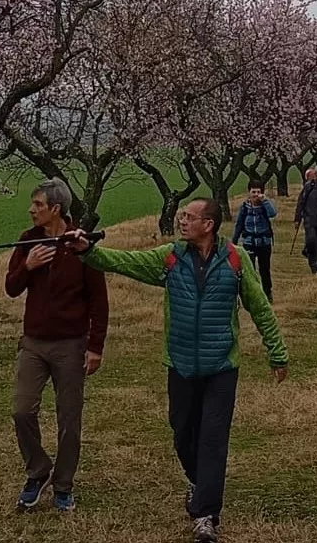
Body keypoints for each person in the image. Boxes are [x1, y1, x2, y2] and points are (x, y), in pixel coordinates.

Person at [65, 199, 287, 543]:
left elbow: (260, 307)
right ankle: (200, 484)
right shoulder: (170, 257)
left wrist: (277, 352)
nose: (181, 221)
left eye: (189, 217)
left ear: (208, 224)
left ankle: (206, 515)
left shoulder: (235, 260)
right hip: (180, 364)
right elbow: (124, 262)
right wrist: (87, 251)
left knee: (213, 440)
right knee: (183, 434)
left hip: (221, 367)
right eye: (181, 216)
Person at [4, 178, 109, 513]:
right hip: (34, 342)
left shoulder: (80, 246)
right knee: (22, 410)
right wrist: (28, 265)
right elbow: (11, 287)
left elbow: (99, 301)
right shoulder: (27, 241)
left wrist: (95, 346)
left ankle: (63, 485)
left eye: (38, 205)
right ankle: (38, 472)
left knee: (69, 419)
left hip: (71, 344)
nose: (31, 210)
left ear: (56, 209)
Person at [231, 183, 277, 302]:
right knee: (249, 269)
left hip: (264, 242)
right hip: (249, 242)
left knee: (264, 269)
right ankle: (252, 294)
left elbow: (273, 214)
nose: (256, 194)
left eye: (258, 192)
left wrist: (265, 201)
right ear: (249, 193)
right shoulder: (245, 207)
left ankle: (267, 292)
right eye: (253, 192)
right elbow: (239, 224)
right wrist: (234, 242)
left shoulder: (265, 205)